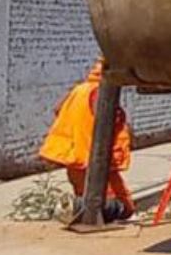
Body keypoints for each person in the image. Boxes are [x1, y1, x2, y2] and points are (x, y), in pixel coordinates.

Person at [38, 58, 134, 222]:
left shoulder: (79, 90)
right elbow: (105, 120)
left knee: (85, 199)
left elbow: (58, 109)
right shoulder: (100, 92)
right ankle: (83, 215)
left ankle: (78, 213)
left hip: (75, 159)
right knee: (124, 207)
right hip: (94, 162)